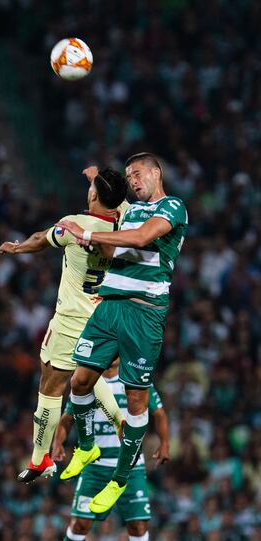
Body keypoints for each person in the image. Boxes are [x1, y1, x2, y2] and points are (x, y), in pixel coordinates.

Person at [56, 152, 188, 512]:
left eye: (137, 173)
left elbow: (144, 237)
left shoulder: (173, 207)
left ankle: (119, 479)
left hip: (144, 315)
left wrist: (86, 232)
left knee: (135, 402)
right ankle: (86, 447)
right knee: (79, 382)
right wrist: (96, 178)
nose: (132, 179)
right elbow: (116, 199)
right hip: (110, 306)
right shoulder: (130, 209)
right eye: (128, 176)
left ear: (156, 172)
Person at [0, 166, 128, 482]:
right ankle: (120, 422)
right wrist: (97, 179)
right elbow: (119, 201)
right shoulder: (125, 222)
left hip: (71, 320)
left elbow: (42, 239)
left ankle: (39, 458)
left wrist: (18, 248)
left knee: (51, 386)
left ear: (93, 195)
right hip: (105, 317)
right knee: (86, 375)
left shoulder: (75, 226)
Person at [52, 359, 169, 541]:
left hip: (131, 467)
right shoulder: (88, 380)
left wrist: (165, 443)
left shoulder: (135, 379)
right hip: (95, 467)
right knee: (80, 524)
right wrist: (57, 442)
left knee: (138, 526)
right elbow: (67, 418)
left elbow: (159, 414)